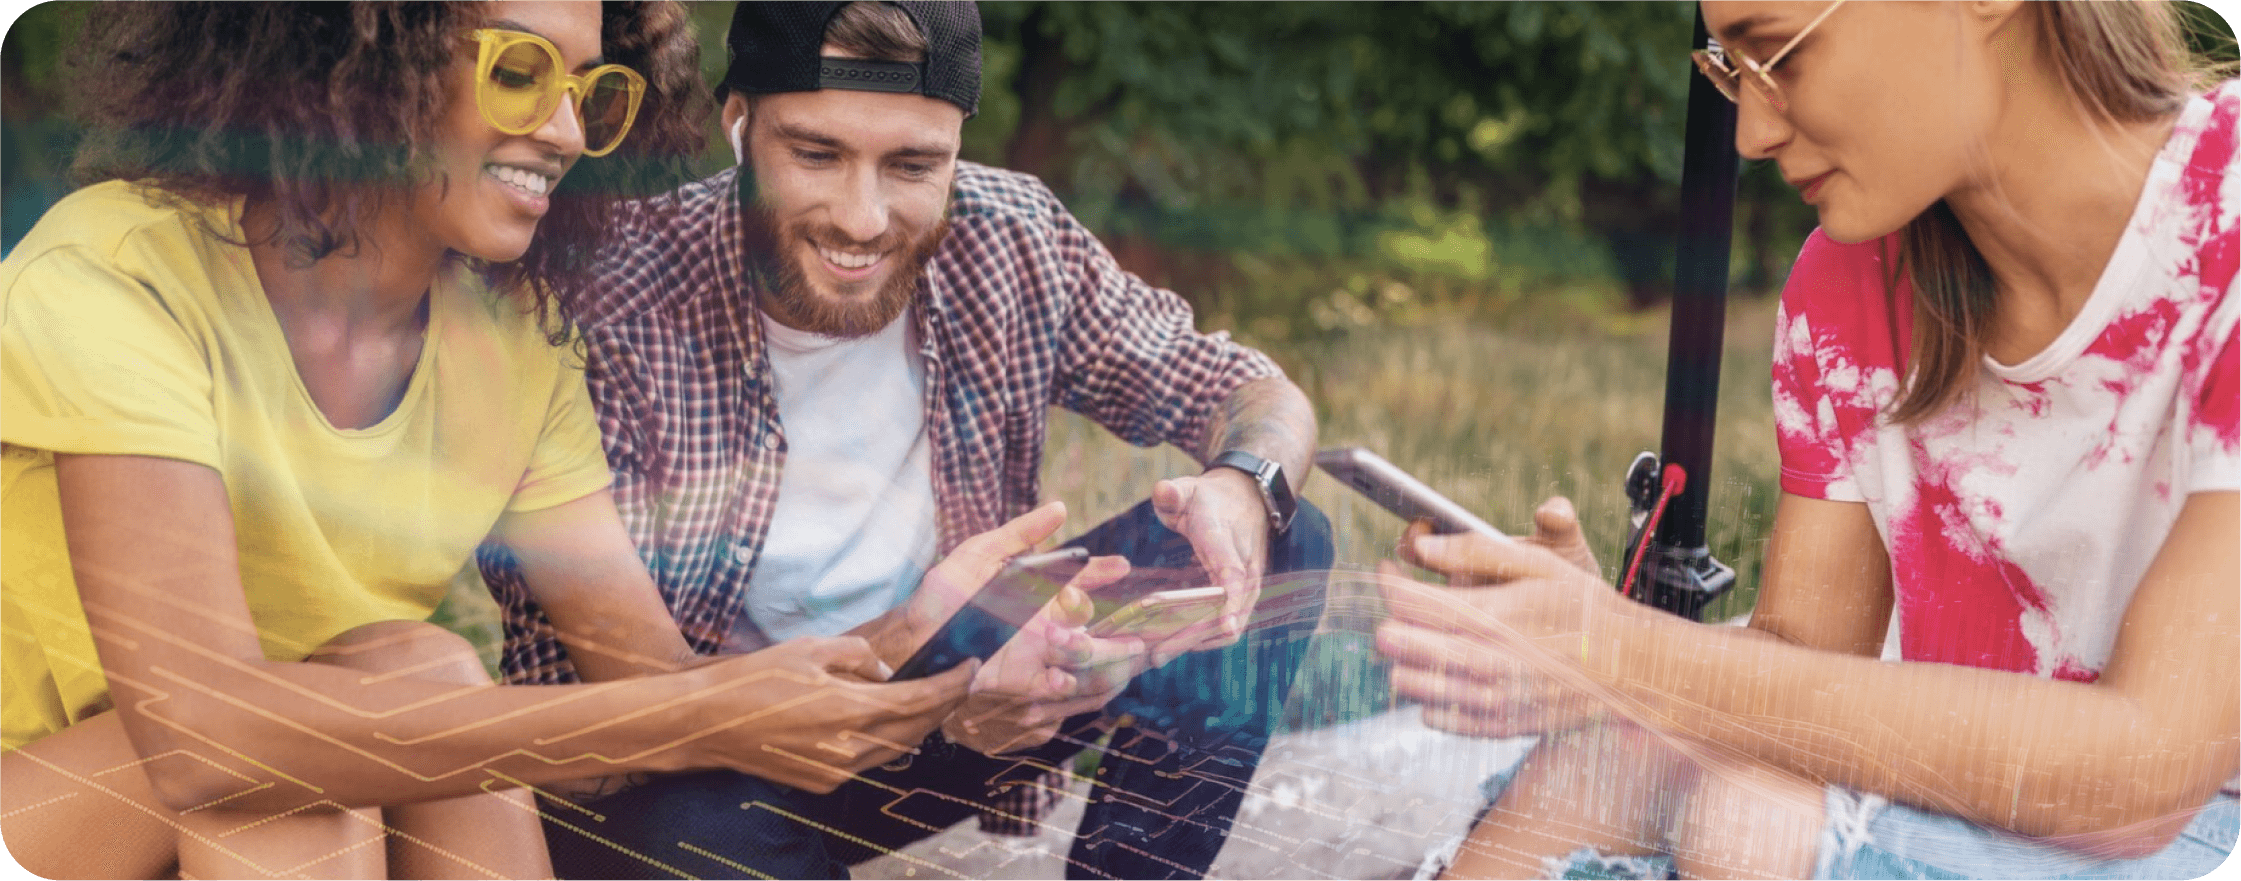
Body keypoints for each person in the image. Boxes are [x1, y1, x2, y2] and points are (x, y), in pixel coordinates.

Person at [0, 3, 1080, 877]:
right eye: (517, 74)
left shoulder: (517, 342)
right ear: (366, 61)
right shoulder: (119, 278)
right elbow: (207, 739)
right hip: (54, 808)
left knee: (405, 666)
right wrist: (670, 713)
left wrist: (913, 637)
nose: (566, 131)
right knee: (336, 740)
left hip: (296, 802)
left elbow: (656, 684)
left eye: (591, 93)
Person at [1374, 1, 2240, 879]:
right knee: (1615, 755)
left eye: (1778, 55)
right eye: (1730, 70)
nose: (1749, 130)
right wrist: (1598, 652)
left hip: (2196, 820)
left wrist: (1630, 654)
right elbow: (1803, 660)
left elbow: (2143, 772)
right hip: (1963, 780)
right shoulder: (1852, 282)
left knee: (1748, 822)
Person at [474, 2, 1335, 878]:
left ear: (957, 150)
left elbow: (1246, 389)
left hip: (940, 701)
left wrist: (1243, 483)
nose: (862, 218)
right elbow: (601, 730)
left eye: (913, 164)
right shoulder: (606, 292)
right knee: (697, 833)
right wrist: (942, 689)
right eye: (816, 154)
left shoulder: (1011, 236)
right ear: (738, 127)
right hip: (694, 762)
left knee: (1277, 528)